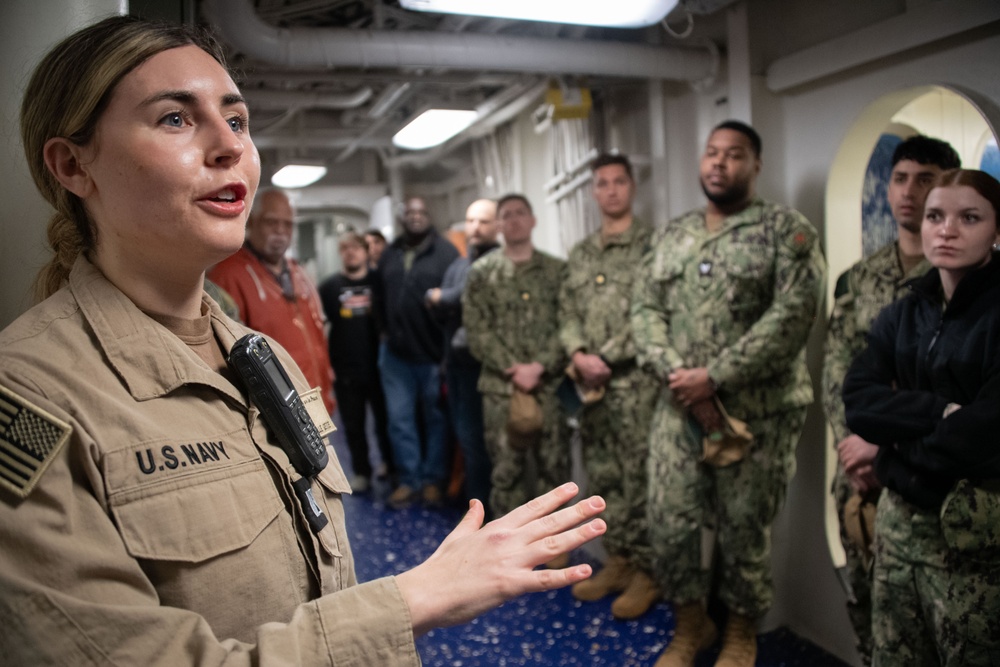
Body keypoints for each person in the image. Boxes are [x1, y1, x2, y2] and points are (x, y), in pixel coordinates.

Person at [0, 16, 608, 665]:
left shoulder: (262, 359)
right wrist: (412, 600)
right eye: (175, 119)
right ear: (73, 164)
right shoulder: (32, 392)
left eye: (236, 120)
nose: (229, 146)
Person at [631, 120, 825, 667]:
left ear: (755, 165)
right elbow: (645, 309)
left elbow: (792, 318)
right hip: (678, 409)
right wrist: (677, 373)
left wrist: (714, 376)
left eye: (734, 154)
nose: (719, 163)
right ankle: (690, 624)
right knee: (669, 523)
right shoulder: (673, 235)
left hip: (756, 414)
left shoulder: (787, 231)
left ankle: (742, 630)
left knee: (745, 529)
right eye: (712, 153)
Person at [843, 169, 1000, 667]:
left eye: (968, 218)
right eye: (936, 216)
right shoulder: (906, 311)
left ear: (997, 230)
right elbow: (860, 401)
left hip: (974, 539)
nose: (947, 230)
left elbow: (983, 434)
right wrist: (939, 411)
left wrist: (890, 445)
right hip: (900, 527)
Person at [821, 135, 960, 665]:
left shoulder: (961, 277)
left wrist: (883, 446)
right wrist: (850, 442)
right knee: (865, 590)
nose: (909, 192)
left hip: (925, 472)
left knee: (940, 618)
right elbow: (840, 370)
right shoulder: (860, 278)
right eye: (900, 178)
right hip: (856, 465)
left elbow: (949, 393)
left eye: (924, 179)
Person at [559, 153, 662, 619]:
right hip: (592, 388)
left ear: (631, 187)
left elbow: (657, 310)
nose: (612, 190)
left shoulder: (652, 246)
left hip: (636, 382)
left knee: (641, 478)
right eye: (603, 183)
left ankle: (648, 570)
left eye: (620, 181)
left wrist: (607, 357)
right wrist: (579, 354)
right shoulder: (581, 253)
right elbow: (567, 313)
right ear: (594, 192)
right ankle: (619, 558)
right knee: (603, 476)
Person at [464, 195, 568, 531]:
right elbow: (477, 330)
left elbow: (568, 323)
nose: (514, 220)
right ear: (498, 226)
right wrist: (514, 367)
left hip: (548, 386)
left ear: (533, 220)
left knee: (554, 467)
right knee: (506, 472)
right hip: (501, 390)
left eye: (520, 213)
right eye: (506, 215)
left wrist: (540, 366)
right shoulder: (481, 274)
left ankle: (552, 540)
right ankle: (509, 541)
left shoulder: (556, 271)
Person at [209, 187, 335, 413]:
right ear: (252, 222)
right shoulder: (229, 275)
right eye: (271, 222)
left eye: (287, 224)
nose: (280, 231)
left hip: (316, 400)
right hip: (276, 414)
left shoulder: (299, 273)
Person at [375, 196, 459, 508]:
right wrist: (385, 332)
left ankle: (433, 481)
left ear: (429, 216)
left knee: (436, 421)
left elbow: (454, 301)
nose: (415, 217)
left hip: (433, 356)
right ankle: (409, 480)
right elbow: (377, 293)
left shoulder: (447, 253)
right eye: (409, 212)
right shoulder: (390, 253)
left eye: (421, 211)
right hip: (395, 355)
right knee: (399, 420)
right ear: (402, 217)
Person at [425, 199, 500, 510]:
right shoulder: (459, 264)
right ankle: (474, 505)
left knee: (480, 445)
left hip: (484, 368)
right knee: (465, 440)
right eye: (470, 221)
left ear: (496, 226)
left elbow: (461, 297)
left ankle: (484, 513)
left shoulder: (499, 262)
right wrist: (440, 299)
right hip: (455, 365)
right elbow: (441, 305)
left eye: (483, 221)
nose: (475, 228)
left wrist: (442, 297)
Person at [318, 232, 394, 493]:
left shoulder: (379, 282)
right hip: (346, 368)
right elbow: (320, 328)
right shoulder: (329, 287)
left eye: (356, 248)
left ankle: (389, 464)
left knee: (387, 422)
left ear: (366, 251)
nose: (351, 253)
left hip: (381, 368)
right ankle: (362, 472)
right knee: (354, 425)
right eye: (346, 249)